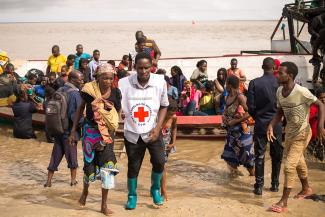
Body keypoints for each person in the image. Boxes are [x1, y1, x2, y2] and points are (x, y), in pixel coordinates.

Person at [267, 62, 325, 213]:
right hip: (290, 134)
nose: (277, 75)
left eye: (280, 73)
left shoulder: (302, 91)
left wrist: (320, 126)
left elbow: (320, 105)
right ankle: (306, 188)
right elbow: (280, 111)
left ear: (290, 75)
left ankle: (283, 202)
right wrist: (271, 125)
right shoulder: (280, 91)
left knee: (289, 166)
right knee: (299, 161)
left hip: (303, 133)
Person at [119, 52, 169, 209]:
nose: (143, 71)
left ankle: (155, 190)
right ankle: (132, 196)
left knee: (160, 162)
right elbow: (116, 104)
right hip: (132, 133)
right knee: (133, 166)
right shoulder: (123, 83)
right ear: (134, 67)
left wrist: (158, 128)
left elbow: (164, 105)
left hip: (153, 131)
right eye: (139, 68)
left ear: (152, 67)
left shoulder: (160, 82)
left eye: (146, 68)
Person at [69, 64, 121, 216]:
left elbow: (117, 112)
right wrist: (73, 130)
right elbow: (80, 109)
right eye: (104, 78)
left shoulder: (116, 92)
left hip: (107, 133)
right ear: (98, 78)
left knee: (108, 167)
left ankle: (103, 205)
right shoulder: (88, 91)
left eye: (111, 78)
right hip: (90, 131)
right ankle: (85, 192)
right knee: (89, 164)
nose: (108, 81)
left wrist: (109, 133)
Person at [247, 57, 283, 195]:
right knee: (276, 155)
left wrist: (258, 118)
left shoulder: (254, 83)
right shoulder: (279, 82)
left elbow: (250, 107)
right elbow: (283, 104)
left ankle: (259, 186)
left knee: (260, 155)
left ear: (262, 67)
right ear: (274, 68)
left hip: (261, 124)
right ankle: (275, 185)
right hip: (277, 124)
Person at [44, 71, 84, 188]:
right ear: (72, 79)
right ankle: (73, 181)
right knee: (72, 157)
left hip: (57, 129)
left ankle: (48, 181)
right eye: (80, 79)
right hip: (69, 131)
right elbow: (74, 115)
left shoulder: (59, 90)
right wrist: (84, 123)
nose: (82, 81)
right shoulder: (75, 94)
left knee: (55, 155)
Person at [221, 75, 255, 177]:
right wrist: (224, 117)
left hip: (242, 134)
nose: (225, 86)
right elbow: (227, 111)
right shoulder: (228, 96)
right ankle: (236, 182)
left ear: (230, 85)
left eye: (226, 84)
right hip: (232, 134)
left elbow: (250, 112)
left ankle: (254, 181)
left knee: (248, 161)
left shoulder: (240, 97)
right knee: (230, 159)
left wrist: (236, 121)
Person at [161, 99, 177, 201]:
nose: (172, 115)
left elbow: (174, 129)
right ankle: (160, 190)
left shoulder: (174, 118)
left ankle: (161, 190)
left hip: (167, 146)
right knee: (159, 166)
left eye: (173, 113)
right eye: (170, 113)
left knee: (162, 167)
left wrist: (173, 142)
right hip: (157, 144)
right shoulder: (159, 117)